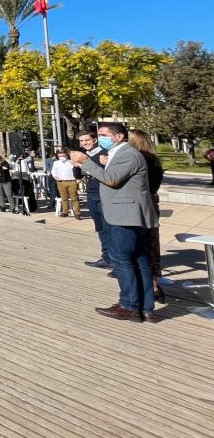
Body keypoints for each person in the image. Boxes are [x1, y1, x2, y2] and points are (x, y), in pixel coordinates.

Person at [70, 122, 159, 323]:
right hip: (123, 214)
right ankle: (145, 307)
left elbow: (111, 179)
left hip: (124, 215)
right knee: (138, 260)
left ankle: (129, 305)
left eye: (103, 135)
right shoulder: (120, 153)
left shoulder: (128, 154)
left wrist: (86, 162)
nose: (100, 138)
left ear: (118, 137)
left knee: (123, 260)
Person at [127, 129, 166, 304]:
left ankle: (149, 288)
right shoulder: (154, 159)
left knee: (140, 245)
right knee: (152, 244)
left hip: (139, 204)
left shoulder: (138, 159)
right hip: (152, 202)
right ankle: (155, 283)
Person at [79, 131, 112, 269]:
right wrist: (75, 165)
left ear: (94, 140)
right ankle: (106, 257)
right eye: (81, 141)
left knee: (108, 228)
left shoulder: (105, 154)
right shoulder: (83, 155)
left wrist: (87, 162)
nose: (84, 143)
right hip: (91, 193)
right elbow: (78, 175)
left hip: (103, 194)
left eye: (87, 140)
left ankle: (116, 260)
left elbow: (108, 174)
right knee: (100, 228)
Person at [50, 149, 81, 219]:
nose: (61, 157)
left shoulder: (71, 162)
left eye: (63, 156)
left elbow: (78, 170)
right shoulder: (56, 163)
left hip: (72, 181)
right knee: (64, 198)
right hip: (61, 182)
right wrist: (55, 177)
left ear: (67, 155)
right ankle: (65, 212)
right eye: (60, 156)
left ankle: (77, 213)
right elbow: (53, 171)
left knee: (74, 198)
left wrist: (78, 179)